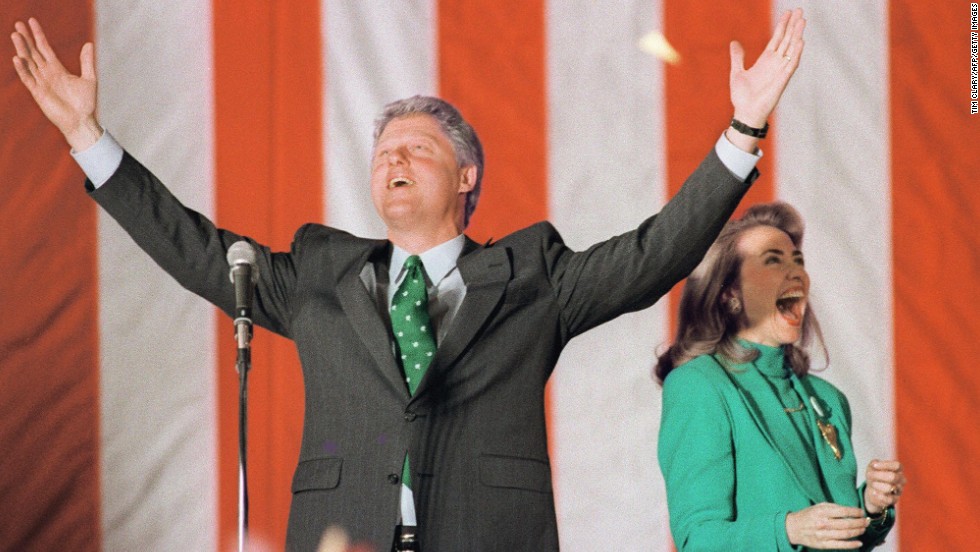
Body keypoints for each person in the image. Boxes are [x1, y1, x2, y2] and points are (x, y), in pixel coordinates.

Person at [12, 10, 806, 551]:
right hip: (342, 535)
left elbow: (653, 253)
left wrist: (741, 133)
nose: (392, 160)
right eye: (383, 151)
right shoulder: (316, 274)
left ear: (465, 176)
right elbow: (195, 248)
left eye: (415, 149)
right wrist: (88, 138)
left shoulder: (533, 277)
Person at [655, 202, 906, 551]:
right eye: (773, 260)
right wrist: (788, 530)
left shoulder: (829, 400)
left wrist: (872, 507)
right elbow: (698, 540)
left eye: (797, 261)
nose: (795, 273)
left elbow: (836, 537)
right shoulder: (698, 386)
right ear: (730, 293)